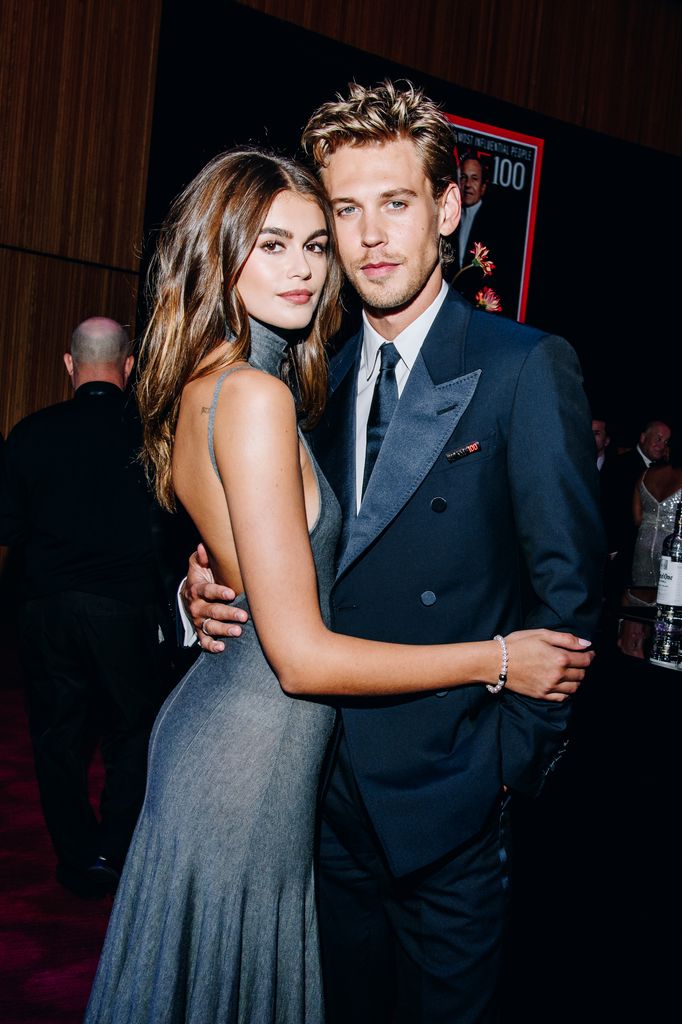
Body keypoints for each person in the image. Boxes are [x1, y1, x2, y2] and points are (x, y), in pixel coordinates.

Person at [84, 147, 593, 1024]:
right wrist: (497, 659)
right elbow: (292, 626)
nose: (331, 255)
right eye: (288, 239)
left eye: (315, 241)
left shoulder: (514, 365)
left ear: (445, 211)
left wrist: (507, 769)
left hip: (437, 801)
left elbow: (567, 587)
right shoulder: (294, 383)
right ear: (222, 250)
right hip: (302, 791)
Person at [0, 318, 165, 897]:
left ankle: (77, 858)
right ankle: (115, 852)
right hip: (124, 609)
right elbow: (168, 531)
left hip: (45, 609)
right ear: (128, 366)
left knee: (56, 738)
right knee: (133, 731)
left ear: (70, 365)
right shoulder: (151, 435)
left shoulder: (30, 432)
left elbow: (7, 527)